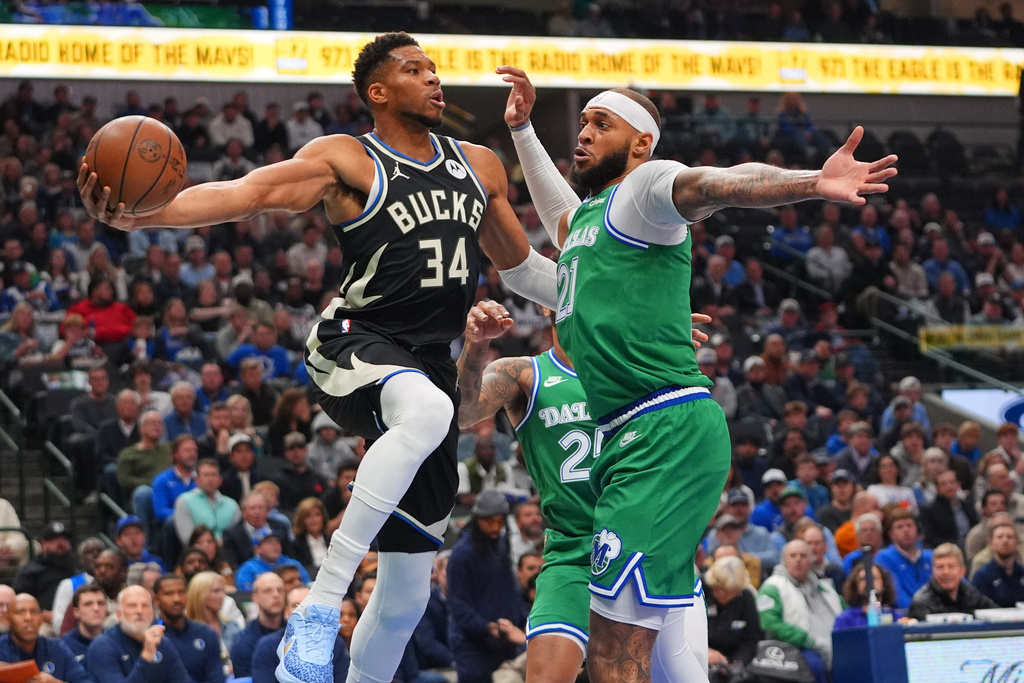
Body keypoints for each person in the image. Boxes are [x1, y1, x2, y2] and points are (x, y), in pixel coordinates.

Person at [79, 33, 568, 683]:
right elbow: (247, 192)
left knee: (406, 596)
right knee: (425, 407)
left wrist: (635, 306)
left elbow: (529, 272)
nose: (432, 78)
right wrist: (146, 218)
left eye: (433, 69)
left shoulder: (479, 163)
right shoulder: (347, 159)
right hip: (355, 341)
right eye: (414, 70)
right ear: (379, 92)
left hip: (428, 360)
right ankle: (319, 605)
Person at [457, 302, 710, 683]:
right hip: (573, 553)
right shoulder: (524, 373)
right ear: (545, 302)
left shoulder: (638, 363)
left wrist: (665, 347)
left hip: (644, 548)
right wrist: (476, 345)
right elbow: (462, 414)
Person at [446, 491, 526, 683]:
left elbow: (510, 589)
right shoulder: (462, 554)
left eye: (500, 522)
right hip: (471, 644)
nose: (495, 528)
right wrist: (486, 627)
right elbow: (458, 603)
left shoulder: (500, 543)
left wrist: (521, 623)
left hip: (503, 639)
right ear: (477, 519)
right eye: (489, 521)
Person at [757, 540, 844, 683]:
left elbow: (844, 613)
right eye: (793, 555)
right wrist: (808, 640)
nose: (798, 560)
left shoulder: (826, 588)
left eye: (803, 556)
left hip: (835, 645)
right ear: (784, 561)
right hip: (796, 648)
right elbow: (770, 623)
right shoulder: (772, 587)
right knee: (815, 665)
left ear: (811, 560)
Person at [85, 585, 191, 683]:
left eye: (145, 606)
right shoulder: (102, 647)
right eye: (132, 606)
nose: (139, 611)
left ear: (152, 613)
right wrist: (147, 655)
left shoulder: (162, 643)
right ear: (119, 614)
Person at [250, 586, 350, 683]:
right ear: (286, 611)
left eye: (308, 605)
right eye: (296, 606)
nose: (302, 610)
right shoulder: (267, 645)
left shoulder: (336, 643)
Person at [0, 593, 91, 683]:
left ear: (41, 618)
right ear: (8, 620)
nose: (28, 618)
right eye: (20, 612)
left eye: (34, 612)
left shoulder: (56, 647)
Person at [153, 574, 225, 683]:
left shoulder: (206, 633)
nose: (177, 599)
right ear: (157, 599)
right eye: (169, 594)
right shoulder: (150, 637)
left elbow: (217, 677)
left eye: (181, 592)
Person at [907, 543, 996, 620]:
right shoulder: (921, 602)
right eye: (940, 567)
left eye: (951, 566)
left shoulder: (972, 596)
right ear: (933, 572)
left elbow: (996, 615)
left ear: (962, 571)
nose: (946, 572)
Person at [703, 556, 762, 671]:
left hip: (731, 661)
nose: (721, 594)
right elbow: (686, 632)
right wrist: (705, 651)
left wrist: (737, 664)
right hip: (700, 656)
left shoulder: (746, 598)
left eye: (728, 591)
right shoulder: (701, 591)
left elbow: (751, 640)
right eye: (718, 588)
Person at [228, 572, 285, 679]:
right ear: (255, 598)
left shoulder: (294, 631)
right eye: (268, 591)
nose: (276, 595)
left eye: (280, 590)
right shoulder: (243, 642)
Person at [874, 509, 933, 609]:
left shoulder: (931, 556)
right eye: (900, 527)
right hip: (903, 616)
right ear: (891, 534)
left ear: (917, 530)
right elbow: (896, 595)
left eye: (909, 525)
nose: (906, 530)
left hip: (935, 614)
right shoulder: (884, 558)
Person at [173, 459, 241, 545]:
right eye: (206, 475)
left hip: (228, 552)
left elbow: (238, 537)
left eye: (213, 475)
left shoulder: (232, 504)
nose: (210, 479)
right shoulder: (184, 501)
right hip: (198, 553)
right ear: (197, 480)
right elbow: (187, 539)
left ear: (220, 480)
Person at [221, 492, 291, 569]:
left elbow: (289, 554)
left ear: (267, 511)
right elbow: (233, 564)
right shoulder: (231, 534)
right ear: (244, 512)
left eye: (261, 507)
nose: (257, 512)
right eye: (252, 508)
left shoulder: (280, 527)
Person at [184, 572, 241, 664]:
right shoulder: (184, 631)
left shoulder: (232, 626)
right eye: (216, 591)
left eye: (223, 591)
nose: (223, 596)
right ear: (200, 595)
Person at [970, 521, 1024, 607]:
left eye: (1010, 537)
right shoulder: (982, 576)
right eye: (1000, 537)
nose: (1005, 540)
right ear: (991, 543)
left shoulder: (1022, 573)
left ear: (1017, 542)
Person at [920, 470, 977, 549]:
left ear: (958, 484)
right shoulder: (928, 509)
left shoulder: (967, 504)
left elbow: (975, 526)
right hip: (945, 549)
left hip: (971, 545)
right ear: (937, 489)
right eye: (943, 484)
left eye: (952, 482)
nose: (949, 486)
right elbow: (932, 538)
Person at [833, 563, 900, 629]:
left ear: (884, 584)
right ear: (856, 586)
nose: (869, 582)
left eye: (873, 578)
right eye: (863, 579)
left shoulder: (896, 617)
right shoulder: (845, 620)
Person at [235, 534, 310, 592]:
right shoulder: (248, 568)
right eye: (269, 543)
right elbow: (245, 592)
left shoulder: (293, 564)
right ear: (257, 549)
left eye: (277, 542)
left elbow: (308, 584)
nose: (275, 545)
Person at [61, 583, 108, 661]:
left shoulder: (117, 641)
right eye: (88, 604)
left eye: (100, 603)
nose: (96, 608)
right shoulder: (63, 646)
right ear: (76, 612)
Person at [290, 498, 331, 573]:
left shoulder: (332, 541)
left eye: (317, 514)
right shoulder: (295, 546)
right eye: (308, 516)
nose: (314, 520)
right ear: (301, 520)